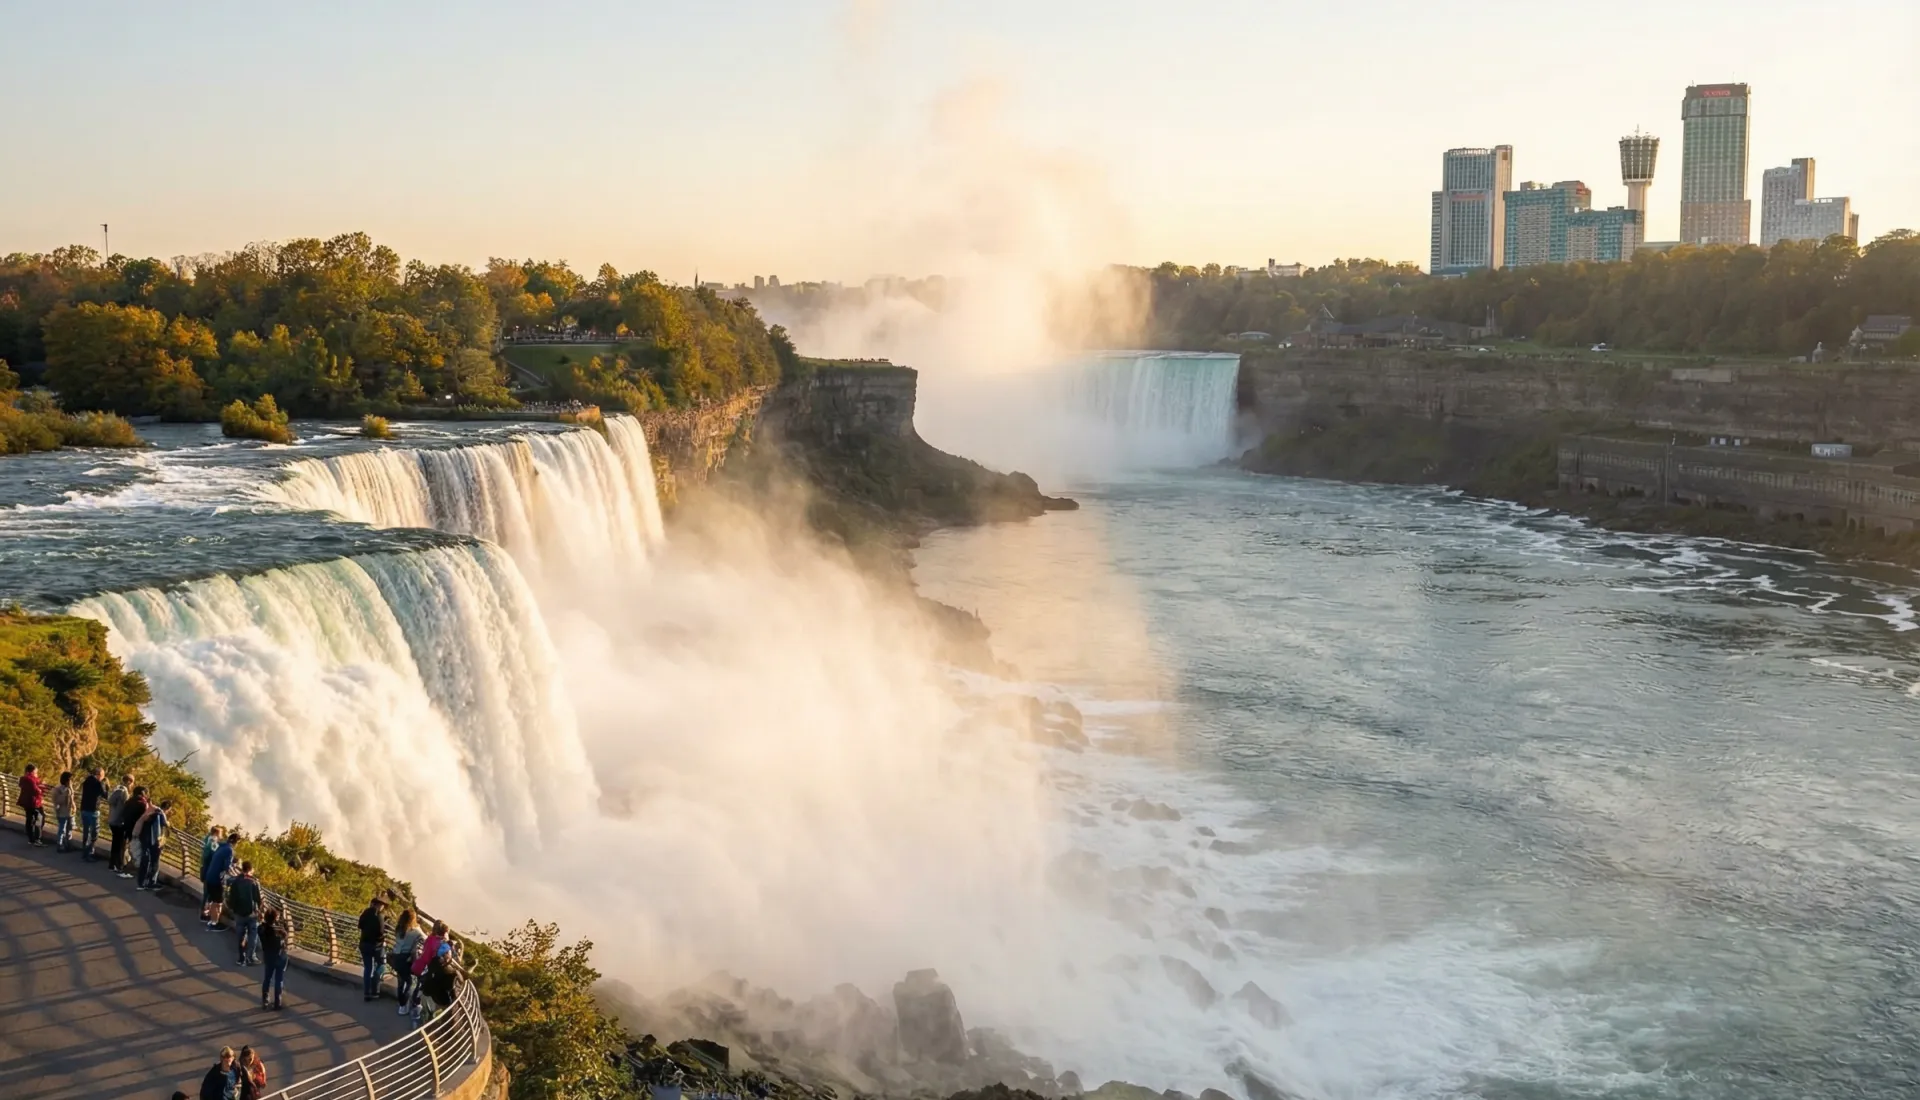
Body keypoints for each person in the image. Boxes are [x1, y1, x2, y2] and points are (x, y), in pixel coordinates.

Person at [415, 939, 468, 1026]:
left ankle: (423, 1022)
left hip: (426, 992)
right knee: (436, 1017)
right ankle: (430, 1028)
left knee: (426, 1013)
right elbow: (463, 978)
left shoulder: (433, 960)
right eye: (450, 952)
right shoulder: (450, 971)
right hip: (439, 1000)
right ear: (447, 954)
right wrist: (474, 965)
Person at [408, 919, 451, 1019]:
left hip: (420, 965)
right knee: (422, 989)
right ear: (444, 933)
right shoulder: (442, 945)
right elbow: (447, 957)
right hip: (428, 969)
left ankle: (414, 1006)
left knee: (419, 987)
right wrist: (447, 942)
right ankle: (417, 1012)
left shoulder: (430, 938)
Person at [387, 909, 424, 1013]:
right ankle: (403, 1006)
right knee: (409, 983)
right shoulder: (415, 930)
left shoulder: (399, 928)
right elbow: (425, 938)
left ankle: (401, 1004)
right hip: (405, 958)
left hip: (395, 957)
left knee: (400, 981)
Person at [226, 860, 263, 965]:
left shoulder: (236, 881)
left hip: (239, 913)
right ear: (251, 869)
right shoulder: (253, 882)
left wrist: (233, 909)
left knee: (240, 936)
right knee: (252, 935)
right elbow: (258, 899)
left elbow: (231, 898)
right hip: (251, 914)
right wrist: (259, 911)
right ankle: (251, 957)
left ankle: (241, 958)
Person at [259, 905, 292, 1010]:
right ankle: (278, 1002)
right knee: (279, 980)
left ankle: (265, 999)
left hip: (268, 957)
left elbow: (261, 927)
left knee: (267, 979)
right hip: (280, 957)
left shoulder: (262, 930)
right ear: (275, 919)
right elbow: (286, 936)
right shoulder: (280, 931)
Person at [357, 895, 389, 1001]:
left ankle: (367, 993)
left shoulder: (366, 912)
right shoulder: (380, 916)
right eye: (383, 905)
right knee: (381, 965)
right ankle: (375, 990)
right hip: (376, 946)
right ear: (380, 905)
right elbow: (380, 932)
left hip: (364, 944)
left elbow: (360, 925)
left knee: (368, 968)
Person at [203, 830, 236, 929]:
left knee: (214, 900)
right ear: (235, 842)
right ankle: (214, 923)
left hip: (209, 876)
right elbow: (227, 867)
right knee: (218, 903)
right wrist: (236, 875)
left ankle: (211, 921)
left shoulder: (221, 846)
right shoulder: (229, 850)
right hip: (216, 879)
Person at [135, 797, 171, 890]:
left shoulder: (153, 812)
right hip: (155, 842)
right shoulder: (161, 814)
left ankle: (141, 883)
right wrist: (168, 824)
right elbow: (164, 825)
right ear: (168, 808)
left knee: (145, 861)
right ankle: (151, 882)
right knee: (154, 862)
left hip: (146, 840)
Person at [116, 784, 149, 880]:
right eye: (146, 793)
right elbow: (145, 818)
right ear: (143, 793)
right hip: (137, 831)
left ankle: (122, 866)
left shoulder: (129, 801)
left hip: (127, 828)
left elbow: (124, 813)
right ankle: (129, 870)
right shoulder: (142, 804)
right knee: (136, 850)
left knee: (128, 848)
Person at [78, 767, 106, 861]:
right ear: (98, 774)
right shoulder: (98, 783)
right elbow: (105, 795)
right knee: (93, 833)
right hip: (93, 810)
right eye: (102, 775)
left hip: (84, 809)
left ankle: (85, 852)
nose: (103, 777)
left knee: (86, 832)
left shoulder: (86, 781)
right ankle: (89, 853)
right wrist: (104, 784)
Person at [106, 774, 133, 872]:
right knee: (119, 844)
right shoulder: (123, 791)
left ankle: (112, 864)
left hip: (112, 819)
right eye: (132, 782)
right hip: (118, 822)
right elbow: (125, 807)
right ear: (129, 781)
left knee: (115, 843)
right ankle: (117, 865)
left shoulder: (117, 789)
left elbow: (110, 801)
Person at [16, 764, 46, 845]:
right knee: (40, 819)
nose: (37, 773)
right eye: (36, 772)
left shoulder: (23, 778)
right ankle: (37, 839)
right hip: (35, 803)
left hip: (26, 803)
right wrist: (42, 787)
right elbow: (37, 791)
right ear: (32, 771)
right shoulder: (32, 780)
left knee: (29, 820)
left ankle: (31, 839)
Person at [51, 771, 75, 851]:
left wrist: (74, 806)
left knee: (70, 829)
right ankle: (60, 845)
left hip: (70, 812)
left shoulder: (70, 788)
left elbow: (72, 799)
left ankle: (68, 844)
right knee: (62, 830)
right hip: (62, 813)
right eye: (70, 780)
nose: (71, 782)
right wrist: (65, 793)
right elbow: (57, 801)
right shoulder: (58, 789)